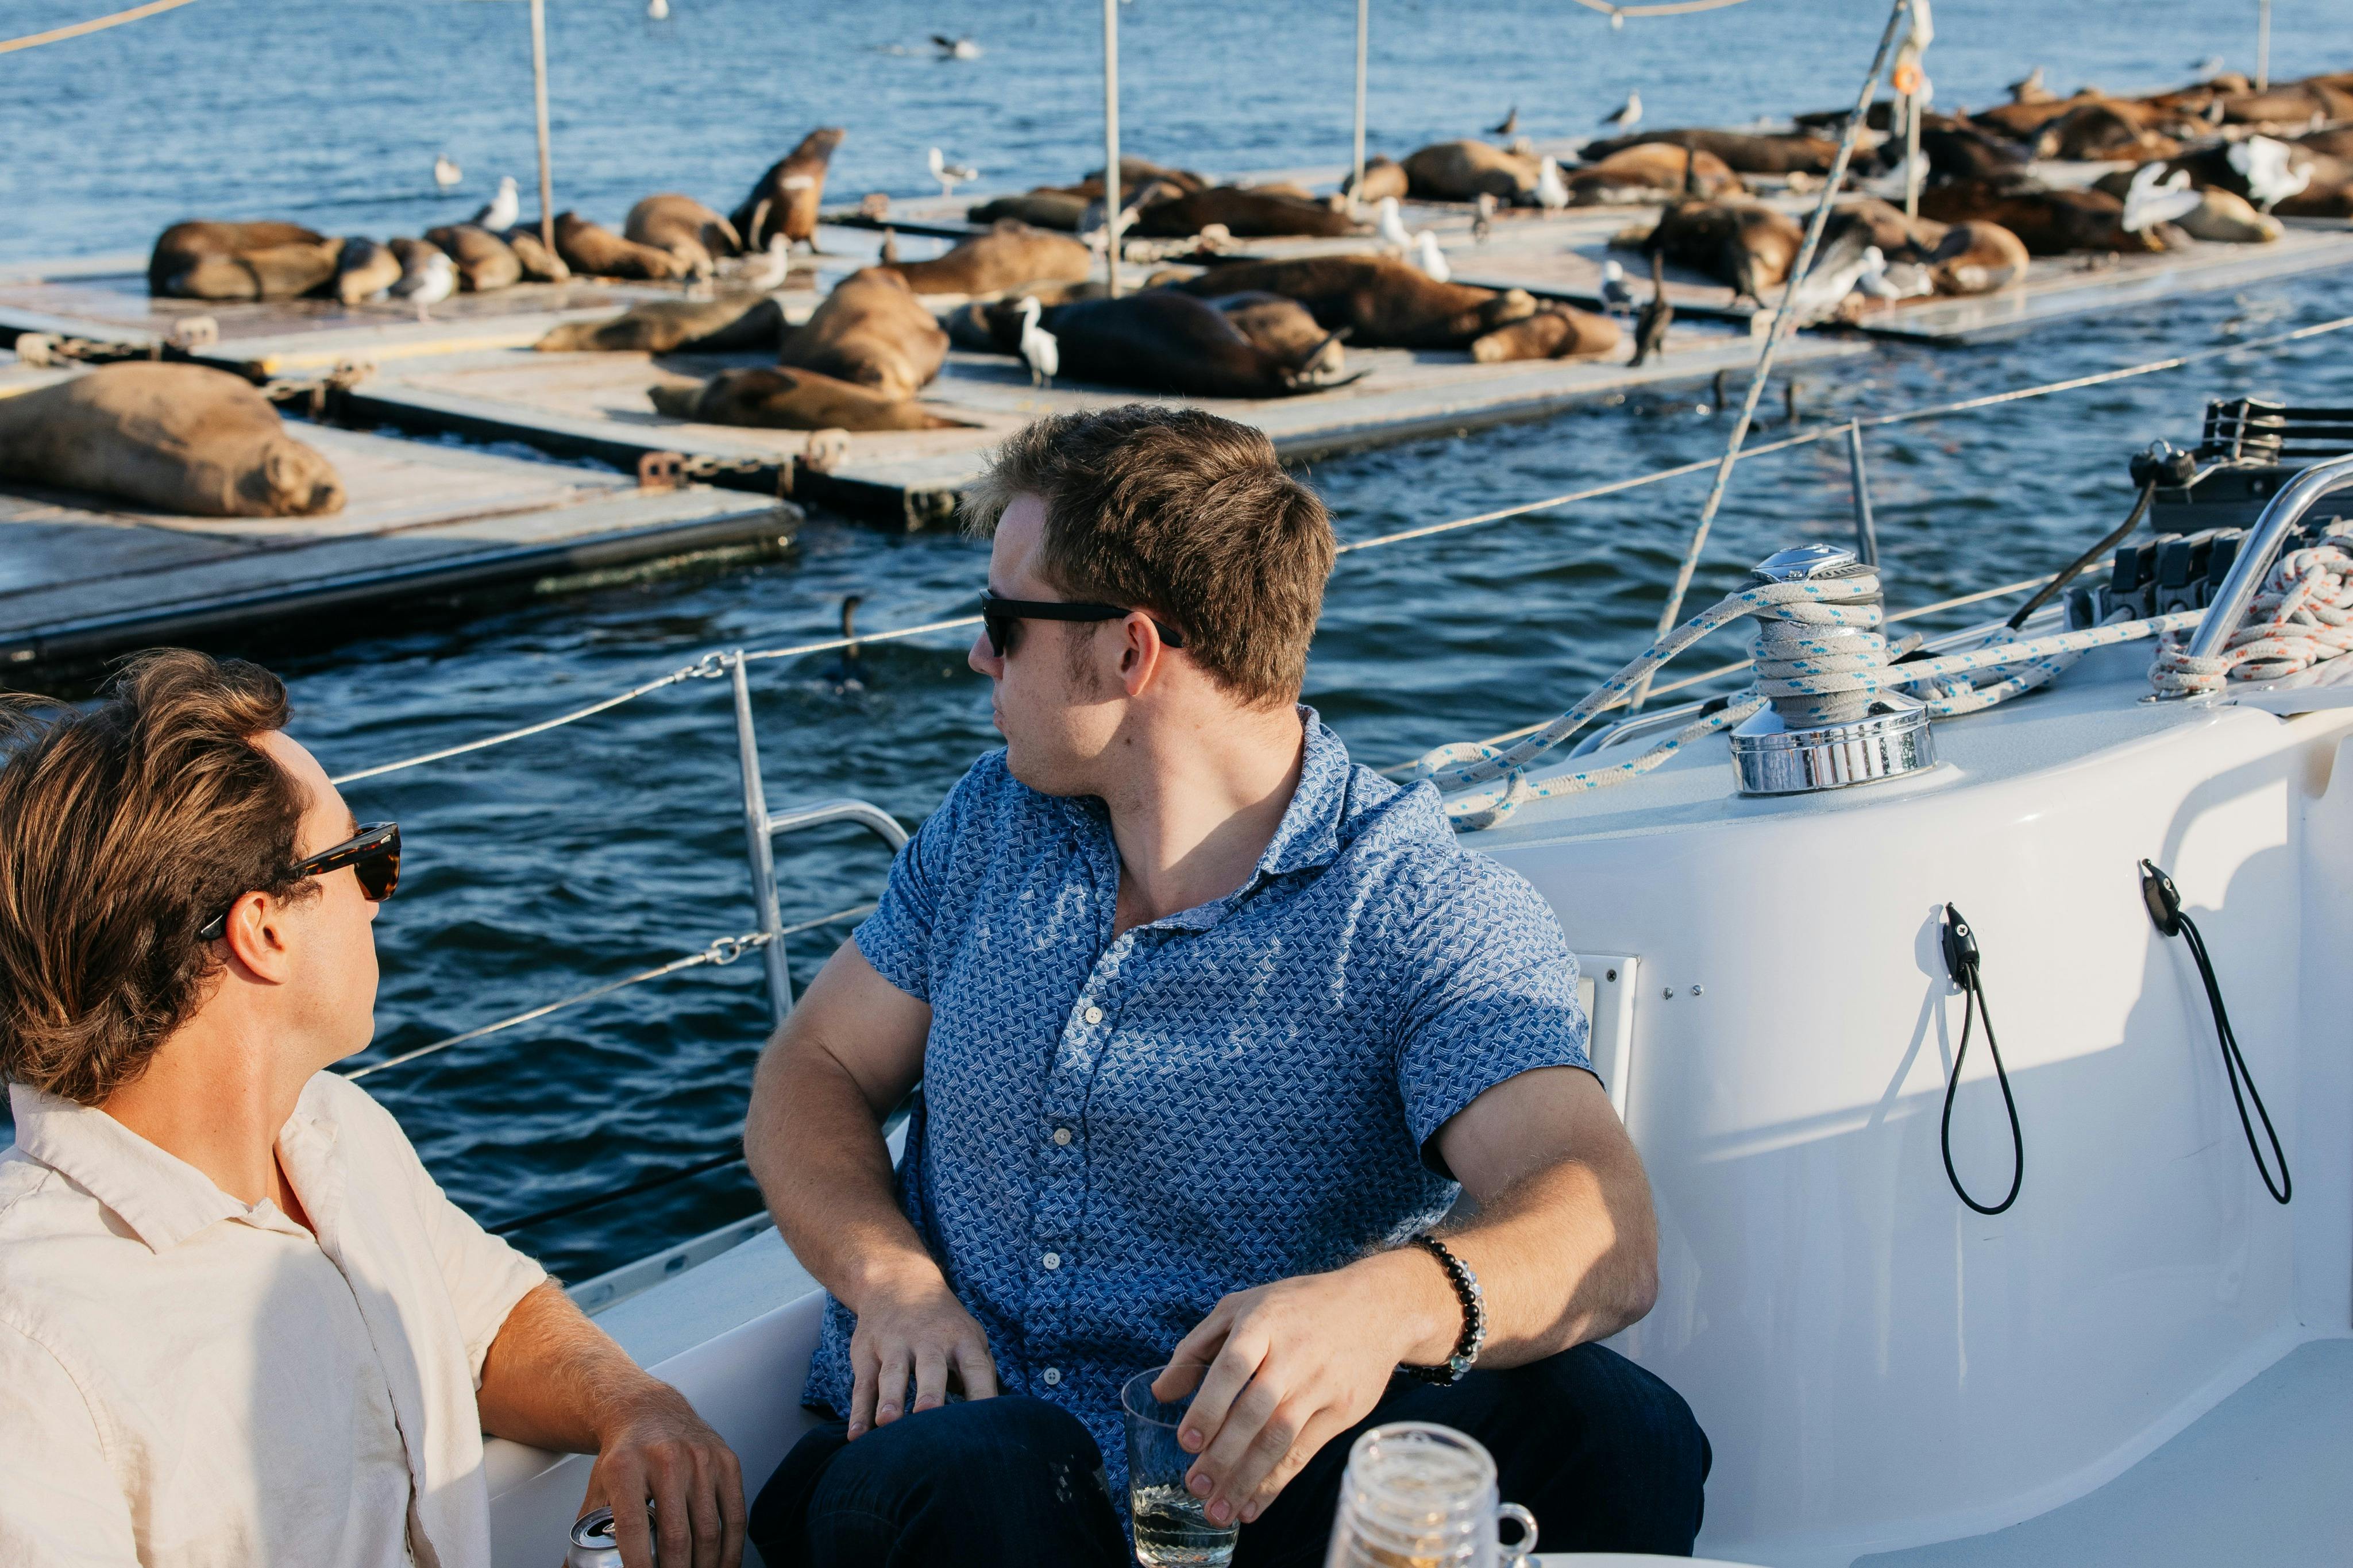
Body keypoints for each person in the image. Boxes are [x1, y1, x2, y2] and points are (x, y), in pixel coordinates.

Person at [742, 405, 1708, 1567]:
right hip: (932, 1464)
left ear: (1128, 652)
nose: (974, 657)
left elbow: (1601, 1226)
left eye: (1001, 622)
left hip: (1229, 1494)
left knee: (1615, 1428)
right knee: (990, 1472)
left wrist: (1382, 1303)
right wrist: (889, 1280)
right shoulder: (987, 827)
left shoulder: (1411, 910)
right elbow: (815, 1066)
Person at [0, 651, 744, 1568]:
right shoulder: (31, 1343)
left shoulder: (336, 1131)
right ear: (264, 930)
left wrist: (636, 1407)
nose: (382, 900)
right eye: (368, 860)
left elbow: (490, 1321)